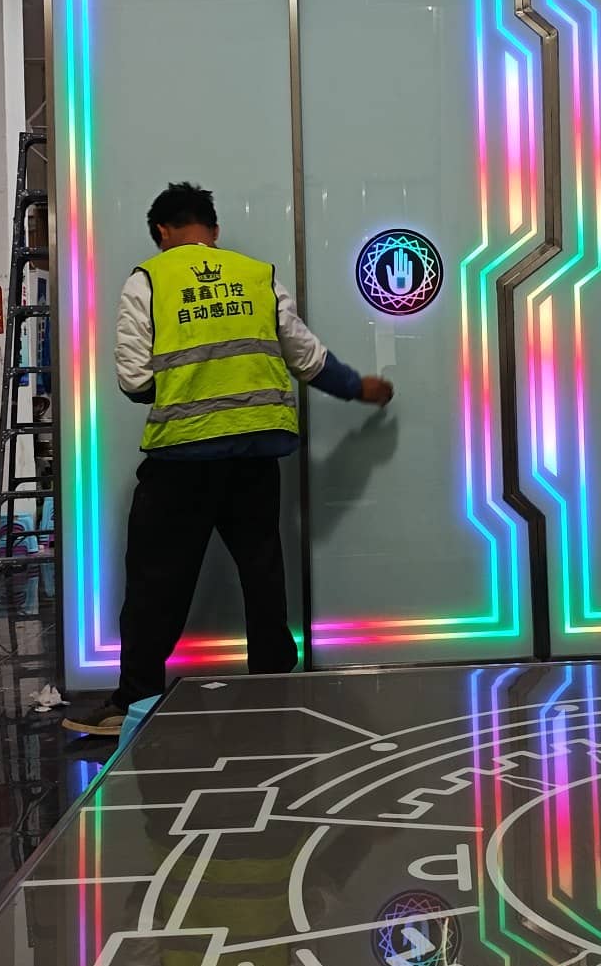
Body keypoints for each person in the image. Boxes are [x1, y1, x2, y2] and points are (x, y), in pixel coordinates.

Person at [64, 181, 392, 737]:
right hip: (255, 455)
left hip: (182, 459)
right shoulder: (258, 277)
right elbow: (306, 357)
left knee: (155, 582)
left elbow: (134, 381)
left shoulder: (148, 280)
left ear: (161, 231)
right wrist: (359, 388)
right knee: (262, 573)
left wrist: (183, 386)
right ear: (213, 230)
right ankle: (275, 684)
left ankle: (134, 700)